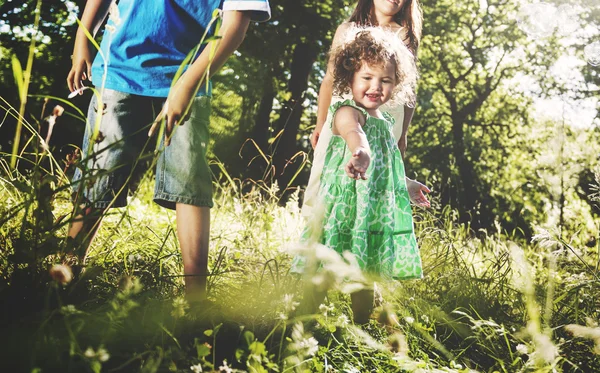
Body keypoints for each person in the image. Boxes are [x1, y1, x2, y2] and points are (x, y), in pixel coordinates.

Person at [66, 0, 271, 301]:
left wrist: (187, 85)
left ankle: (196, 301)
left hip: (191, 74)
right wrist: (82, 40)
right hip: (120, 65)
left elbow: (234, 27)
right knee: (97, 176)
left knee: (189, 180)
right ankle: (63, 277)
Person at [298, 28, 423, 323]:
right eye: (367, 78)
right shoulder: (347, 111)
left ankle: (362, 328)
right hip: (343, 211)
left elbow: (386, 166)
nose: (375, 86)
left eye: (385, 81)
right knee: (323, 268)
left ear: (396, 84)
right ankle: (303, 322)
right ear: (350, 77)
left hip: (370, 214)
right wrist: (360, 151)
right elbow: (354, 134)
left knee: (366, 273)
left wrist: (406, 184)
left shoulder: (386, 121)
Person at [302, 0, 429, 219]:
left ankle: (359, 240)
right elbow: (329, 79)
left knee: (374, 177)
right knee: (326, 173)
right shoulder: (347, 30)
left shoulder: (405, 35)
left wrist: (403, 134)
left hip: (386, 117)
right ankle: (313, 237)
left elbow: (409, 88)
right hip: (342, 115)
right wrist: (320, 122)